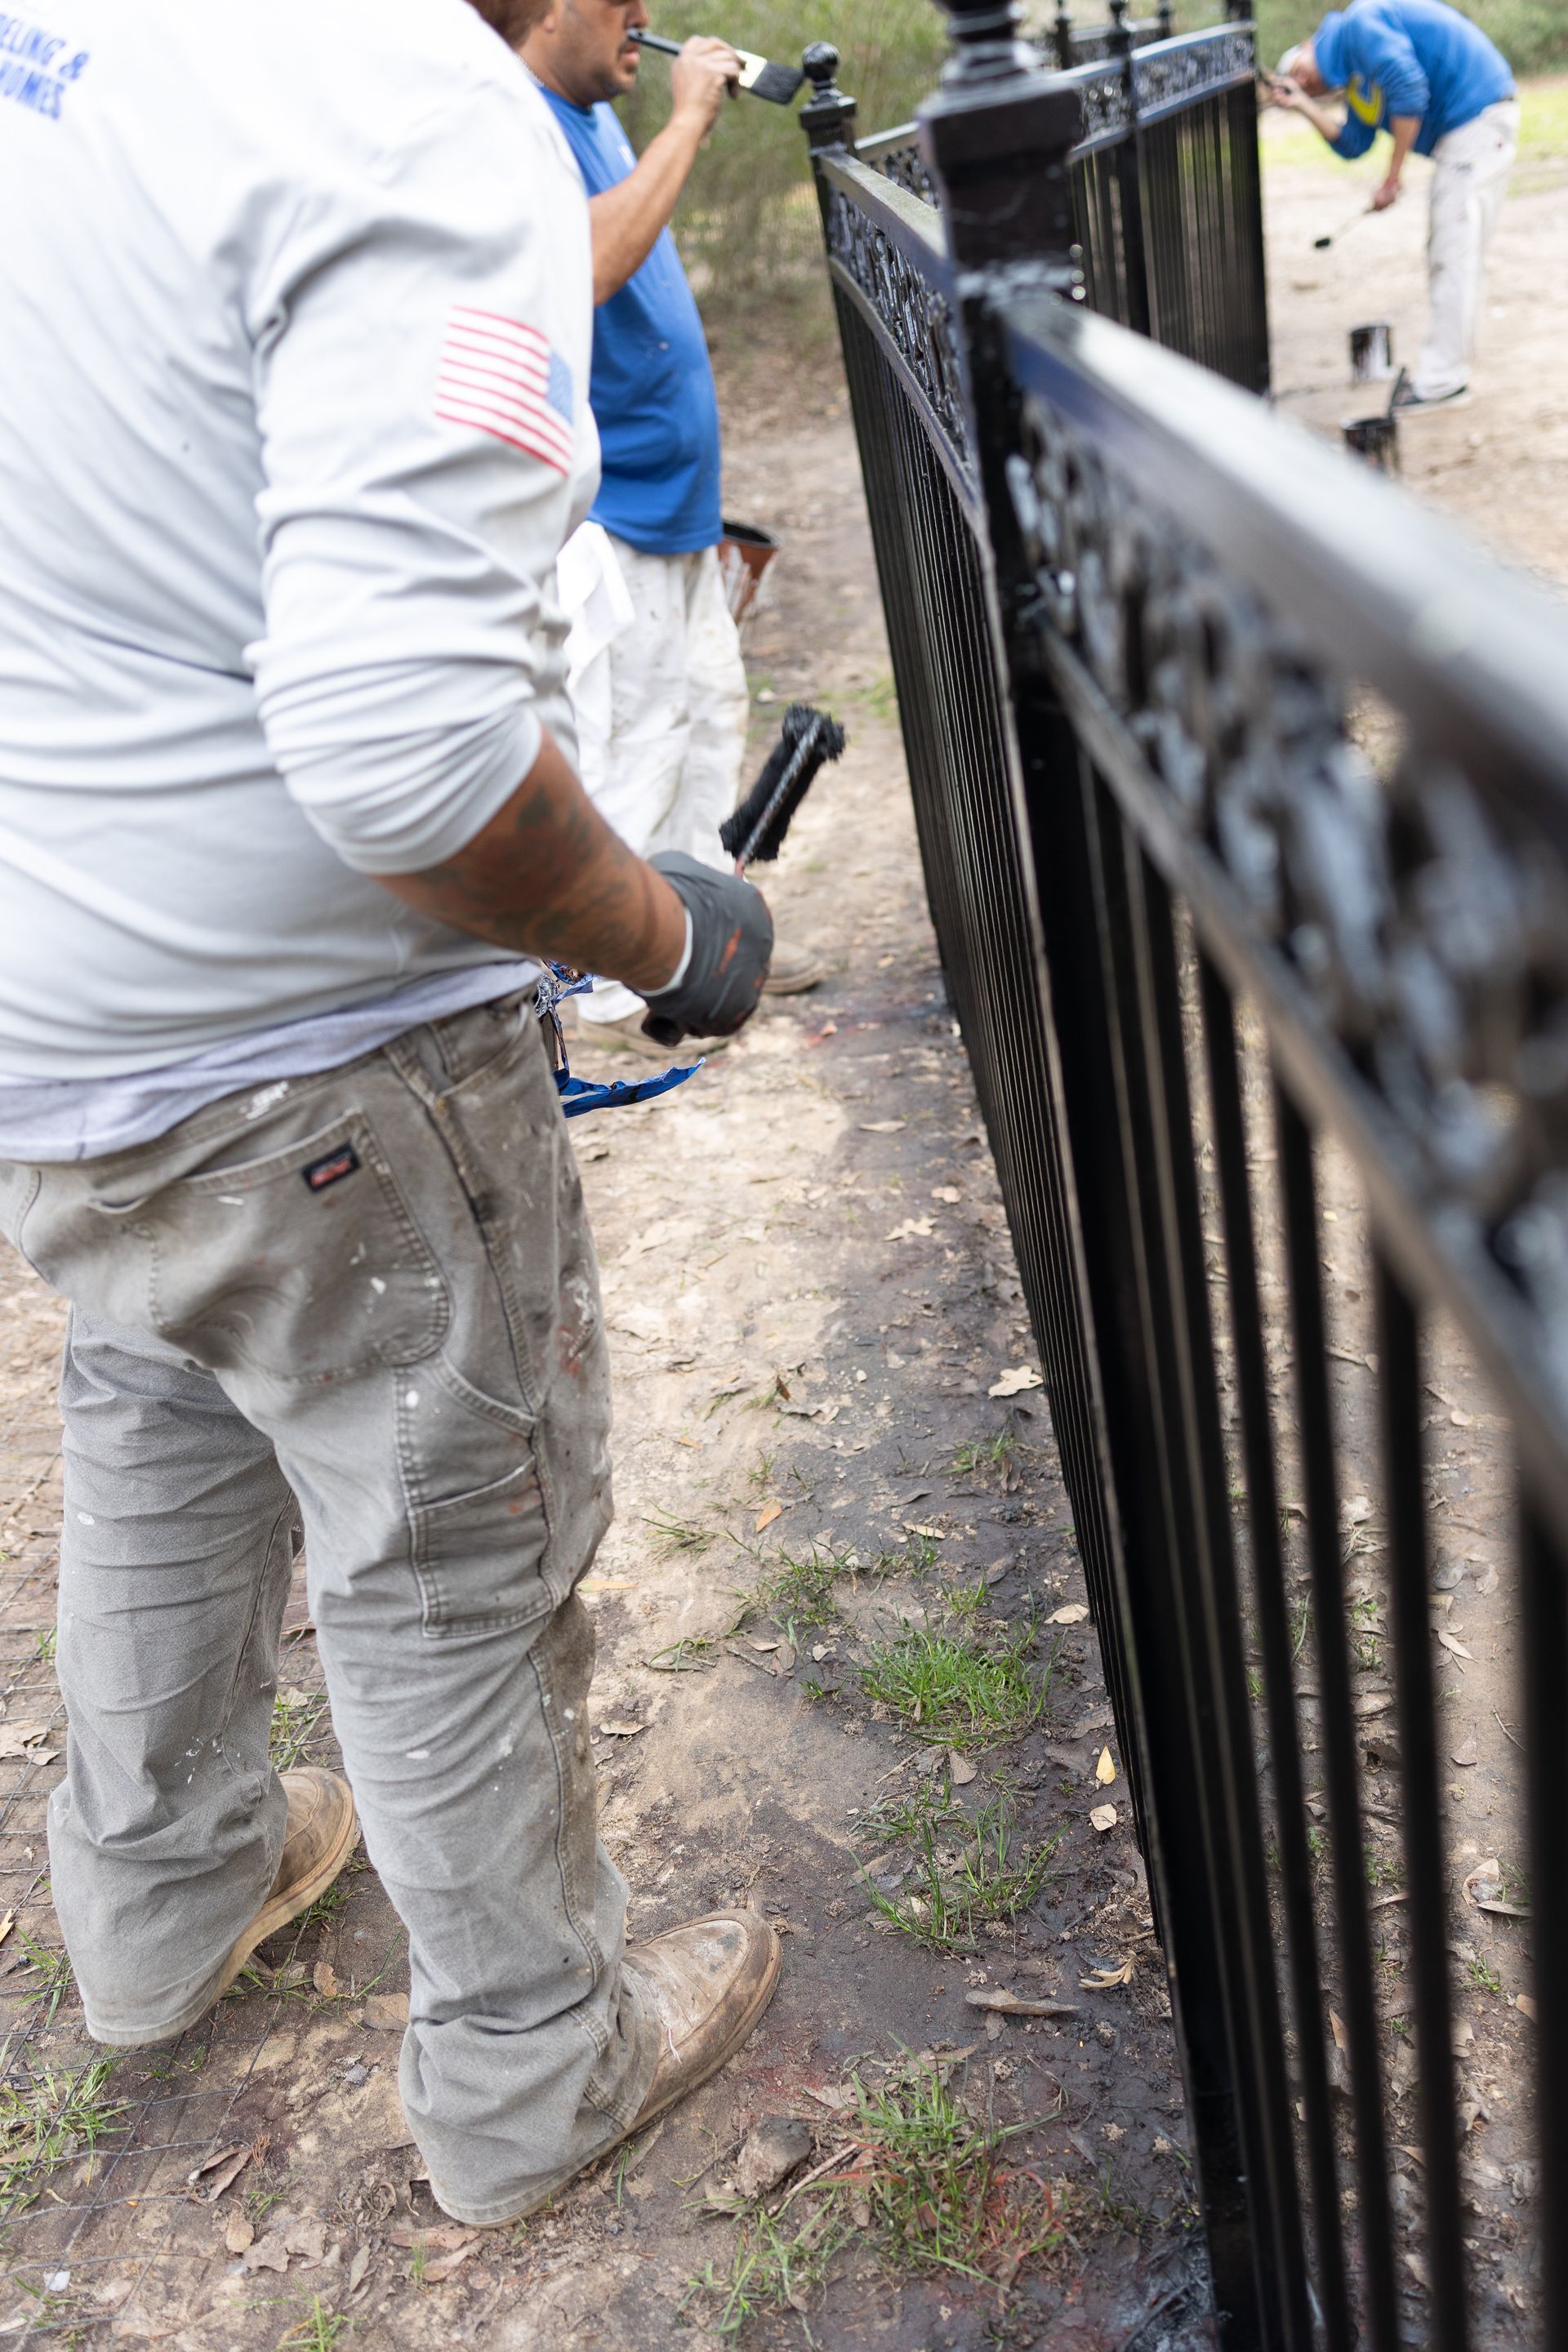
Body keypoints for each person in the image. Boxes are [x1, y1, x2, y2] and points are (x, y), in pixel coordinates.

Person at [0, 0, 781, 2231]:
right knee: (445, 1542)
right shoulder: (400, 102)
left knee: (159, 1411)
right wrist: (664, 933)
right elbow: (414, 764)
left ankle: (160, 1917)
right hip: (302, 1047)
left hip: (53, 1014)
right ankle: (538, 2071)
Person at [521, 0, 824, 1055]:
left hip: (679, 504)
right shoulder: (519, 118)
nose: (641, 19)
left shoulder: (594, 110)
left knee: (705, 717)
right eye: (619, 2)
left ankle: (712, 949)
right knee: (636, 739)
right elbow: (585, 268)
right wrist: (689, 120)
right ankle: (614, 990)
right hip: (614, 513)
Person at [1270, 2, 1517, 412]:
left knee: (1451, 252)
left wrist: (1392, 177)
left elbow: (1409, 89)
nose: (1304, 81)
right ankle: (1450, 370)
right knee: (1457, 252)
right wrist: (1303, 105)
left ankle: (1443, 381)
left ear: (1309, 44)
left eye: (1300, 70)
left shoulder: (1359, 25)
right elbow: (1353, 142)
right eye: (1300, 84)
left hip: (1477, 117)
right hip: (1468, 132)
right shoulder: (1354, 77)